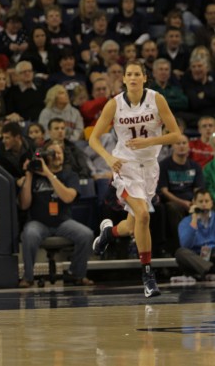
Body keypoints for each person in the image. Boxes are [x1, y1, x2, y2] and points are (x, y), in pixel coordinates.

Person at [89, 59, 182, 298]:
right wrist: (109, 159)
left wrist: (149, 141)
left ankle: (109, 233)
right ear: (123, 79)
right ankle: (148, 275)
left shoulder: (156, 99)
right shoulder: (114, 104)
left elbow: (176, 135)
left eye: (136, 74)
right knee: (143, 215)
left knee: (134, 224)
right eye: (128, 74)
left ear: (144, 78)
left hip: (149, 167)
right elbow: (93, 139)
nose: (132, 78)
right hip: (125, 166)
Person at [18, 140, 94, 288]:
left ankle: (77, 274)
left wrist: (48, 173)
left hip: (62, 222)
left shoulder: (69, 175)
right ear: (46, 156)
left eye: (59, 152)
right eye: (52, 153)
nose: (57, 156)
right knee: (29, 234)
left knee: (86, 234)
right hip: (38, 222)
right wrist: (28, 175)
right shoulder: (35, 176)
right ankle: (28, 277)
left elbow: (68, 197)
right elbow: (24, 204)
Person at [158, 134, 204, 255]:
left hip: (192, 201)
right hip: (173, 201)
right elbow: (164, 191)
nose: (182, 146)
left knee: (205, 206)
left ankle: (204, 246)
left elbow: (198, 190)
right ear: (172, 146)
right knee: (173, 208)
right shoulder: (164, 165)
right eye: (178, 143)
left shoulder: (195, 166)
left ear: (189, 146)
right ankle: (182, 246)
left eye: (184, 143)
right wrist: (182, 203)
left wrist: (195, 202)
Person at [175, 189, 215, 279]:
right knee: (180, 253)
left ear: (211, 203)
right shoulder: (185, 222)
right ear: (194, 203)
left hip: (213, 254)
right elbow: (185, 244)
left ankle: (205, 272)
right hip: (196, 257)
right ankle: (210, 270)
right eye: (200, 201)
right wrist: (194, 219)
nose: (204, 204)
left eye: (207, 201)